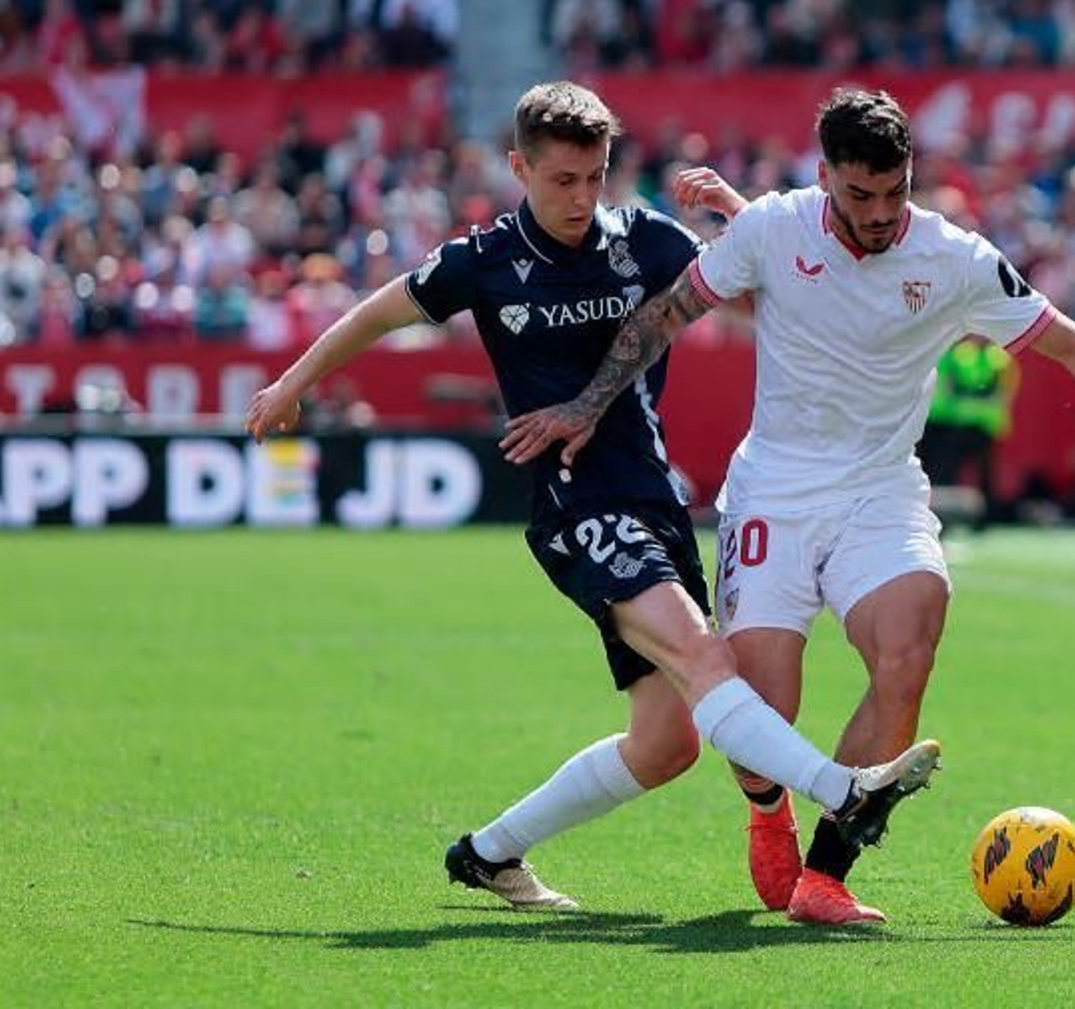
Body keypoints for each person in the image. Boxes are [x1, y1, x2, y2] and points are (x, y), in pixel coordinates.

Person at [501, 88, 1075, 923]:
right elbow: (666, 315)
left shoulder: (955, 259)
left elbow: (1073, 344)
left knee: (910, 641)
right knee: (762, 711)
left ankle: (826, 872)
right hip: (774, 488)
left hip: (881, 490)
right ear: (825, 179)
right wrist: (588, 404)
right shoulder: (773, 227)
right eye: (859, 195)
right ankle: (769, 811)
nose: (880, 214)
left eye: (895, 192)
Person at [243, 81, 941, 915]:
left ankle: (489, 853)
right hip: (578, 508)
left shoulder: (644, 238)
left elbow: (782, 291)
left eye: (595, 176)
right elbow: (379, 313)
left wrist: (746, 213)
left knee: (666, 742)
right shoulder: (486, 260)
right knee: (704, 657)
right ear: (519, 169)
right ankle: (846, 788)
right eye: (561, 179)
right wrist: (291, 382)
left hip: (654, 500)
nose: (580, 198)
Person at [919, 334, 1019, 531]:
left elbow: (996, 393)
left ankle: (976, 519)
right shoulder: (962, 356)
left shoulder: (989, 359)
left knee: (954, 474)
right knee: (946, 474)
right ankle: (946, 518)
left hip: (967, 426)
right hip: (948, 424)